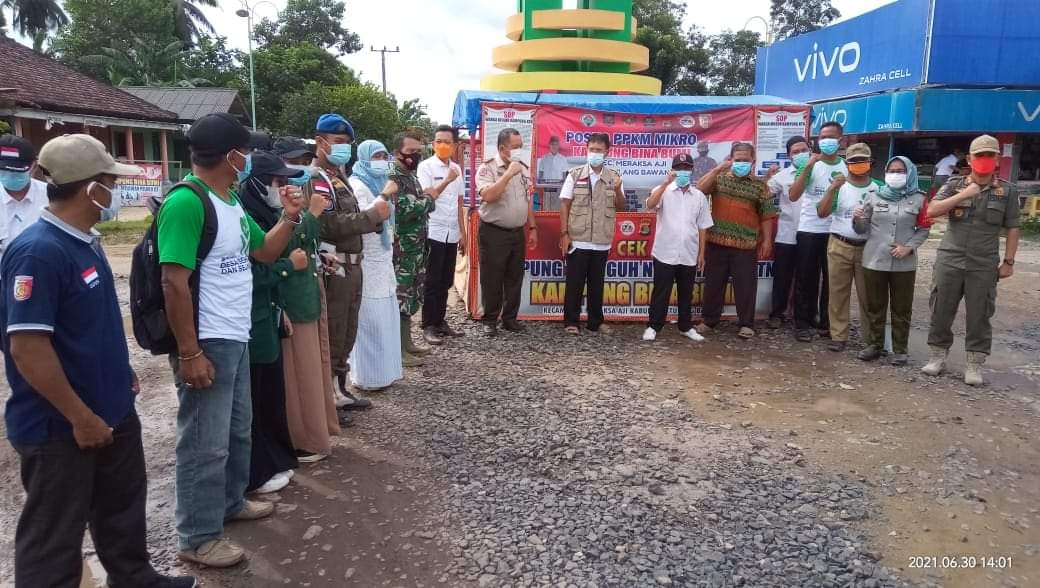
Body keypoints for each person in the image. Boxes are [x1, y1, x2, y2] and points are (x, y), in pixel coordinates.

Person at [0, 134, 195, 586]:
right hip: (60, 425)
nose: (116, 192)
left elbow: (94, 325)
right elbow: (27, 348)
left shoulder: (84, 241)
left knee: (120, 506)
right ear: (91, 188)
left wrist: (119, 374)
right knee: (54, 535)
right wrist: (80, 417)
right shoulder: (38, 252)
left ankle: (134, 578)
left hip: (110, 406)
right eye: (111, 182)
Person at [158, 112, 304, 567]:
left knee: (237, 430)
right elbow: (172, 282)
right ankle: (197, 536)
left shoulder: (231, 201)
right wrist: (189, 352)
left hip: (236, 334)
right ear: (231, 156)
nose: (249, 159)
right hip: (208, 338)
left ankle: (229, 502)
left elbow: (264, 251)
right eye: (246, 152)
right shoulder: (187, 203)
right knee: (204, 441)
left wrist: (290, 216)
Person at [923, 135, 1020, 386]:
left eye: (990, 155)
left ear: (997, 159)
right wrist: (964, 194)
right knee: (941, 308)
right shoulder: (954, 184)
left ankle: (974, 364)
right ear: (969, 159)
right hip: (950, 258)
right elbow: (932, 210)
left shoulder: (1007, 191)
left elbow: (1013, 227)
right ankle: (937, 356)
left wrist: (1009, 261)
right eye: (979, 155)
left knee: (980, 314)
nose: (984, 159)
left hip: (983, 263)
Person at [310, 114, 390, 405]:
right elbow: (327, 224)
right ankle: (328, 398)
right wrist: (372, 217)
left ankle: (340, 390)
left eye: (347, 143)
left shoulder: (337, 176)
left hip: (353, 264)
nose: (344, 147)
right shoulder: (317, 178)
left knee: (347, 329)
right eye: (338, 141)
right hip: (336, 266)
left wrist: (374, 219)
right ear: (320, 142)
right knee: (334, 330)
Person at [237, 152, 305, 491]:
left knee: (270, 396)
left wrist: (281, 310)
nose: (284, 187)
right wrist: (288, 267)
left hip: (268, 314)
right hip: (249, 320)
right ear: (257, 183)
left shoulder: (264, 213)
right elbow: (251, 274)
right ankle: (257, 471)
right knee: (254, 401)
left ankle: (275, 459)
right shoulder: (245, 215)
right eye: (278, 181)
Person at [853, 157, 932, 366]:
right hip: (874, 260)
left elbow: (925, 228)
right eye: (892, 170)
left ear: (909, 173)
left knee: (902, 308)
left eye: (900, 171)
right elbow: (861, 229)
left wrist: (909, 247)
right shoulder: (873, 195)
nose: (895, 174)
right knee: (875, 306)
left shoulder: (919, 198)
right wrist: (857, 218)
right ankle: (875, 345)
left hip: (904, 263)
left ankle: (900, 349)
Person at [696, 142, 778, 339]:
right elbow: (700, 189)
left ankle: (746, 324)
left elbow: (767, 216)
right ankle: (709, 320)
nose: (741, 163)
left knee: (746, 287)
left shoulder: (760, 186)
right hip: (717, 243)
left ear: (753, 162)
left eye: (745, 160)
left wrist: (767, 241)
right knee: (713, 285)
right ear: (731, 160)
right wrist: (717, 169)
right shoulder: (719, 178)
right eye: (738, 160)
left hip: (746, 245)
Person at [348, 140, 404, 387]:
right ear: (364, 158)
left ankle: (385, 374)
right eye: (376, 156)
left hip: (383, 257)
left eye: (383, 156)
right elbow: (362, 218)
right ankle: (367, 378)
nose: (381, 161)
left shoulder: (380, 181)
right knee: (370, 320)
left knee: (385, 320)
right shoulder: (357, 184)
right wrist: (384, 195)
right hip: (367, 258)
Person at [814, 143, 879, 352]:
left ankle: (871, 340)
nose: (858, 164)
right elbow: (822, 212)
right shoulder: (839, 186)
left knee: (868, 295)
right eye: (854, 161)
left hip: (868, 248)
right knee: (837, 293)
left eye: (862, 160)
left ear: (870, 162)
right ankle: (838, 335)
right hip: (840, 244)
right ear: (847, 163)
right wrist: (831, 188)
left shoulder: (879, 187)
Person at [558, 132, 625, 335]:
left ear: (607, 152)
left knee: (597, 285)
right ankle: (571, 321)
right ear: (586, 150)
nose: (594, 153)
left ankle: (595, 322)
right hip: (578, 239)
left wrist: (618, 189)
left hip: (601, 240)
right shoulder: (575, 174)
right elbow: (565, 204)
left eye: (599, 150)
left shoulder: (614, 177)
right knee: (574, 284)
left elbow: (621, 207)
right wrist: (564, 233)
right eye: (591, 150)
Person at [642, 153, 713, 342]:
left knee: (686, 293)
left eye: (686, 168)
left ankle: (685, 326)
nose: (683, 171)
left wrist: (701, 253)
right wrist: (665, 183)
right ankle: (654, 326)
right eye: (679, 168)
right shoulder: (662, 190)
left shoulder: (699, 196)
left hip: (689, 252)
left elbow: (703, 226)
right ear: (672, 170)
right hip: (665, 252)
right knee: (661, 292)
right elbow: (650, 205)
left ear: (692, 170)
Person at [475, 128, 537, 337]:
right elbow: (488, 196)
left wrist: (533, 227)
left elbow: (527, 200)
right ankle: (490, 320)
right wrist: (509, 173)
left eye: (521, 146)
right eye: (515, 147)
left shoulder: (524, 168)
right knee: (492, 277)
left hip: (517, 231)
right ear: (503, 148)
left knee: (514, 277)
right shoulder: (487, 168)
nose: (520, 150)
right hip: (494, 231)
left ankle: (510, 319)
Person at [789, 121, 847, 342]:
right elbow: (794, 195)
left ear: (840, 140)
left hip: (836, 230)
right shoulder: (811, 164)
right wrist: (808, 166)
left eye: (831, 137)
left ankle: (827, 323)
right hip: (810, 229)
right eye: (822, 137)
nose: (826, 141)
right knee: (806, 278)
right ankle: (803, 323)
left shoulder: (846, 167)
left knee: (833, 280)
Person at [389, 129, 436, 364]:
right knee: (400, 296)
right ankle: (398, 351)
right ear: (397, 152)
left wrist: (425, 200)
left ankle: (407, 343)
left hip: (416, 247)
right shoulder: (393, 177)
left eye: (418, 151)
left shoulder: (410, 175)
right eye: (410, 151)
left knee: (411, 296)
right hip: (402, 249)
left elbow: (421, 205)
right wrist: (428, 198)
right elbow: (404, 210)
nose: (415, 156)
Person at [418, 125, 466, 345]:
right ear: (433, 144)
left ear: (455, 145)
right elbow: (429, 197)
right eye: (438, 141)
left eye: (447, 142)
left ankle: (440, 321)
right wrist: (447, 180)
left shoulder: (456, 168)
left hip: (452, 232)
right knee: (432, 279)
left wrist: (463, 232)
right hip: (434, 230)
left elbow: (458, 203)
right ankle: (428, 324)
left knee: (446, 279)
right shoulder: (426, 167)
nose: (442, 145)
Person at [766, 136, 811, 329]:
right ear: (789, 156)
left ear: (810, 150)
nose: (800, 154)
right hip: (787, 235)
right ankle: (777, 314)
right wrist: (767, 176)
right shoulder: (782, 177)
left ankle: (804, 317)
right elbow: (763, 195)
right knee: (782, 277)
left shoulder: (819, 172)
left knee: (806, 278)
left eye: (803, 150)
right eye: (795, 152)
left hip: (812, 235)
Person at [0, 134, 49, 260]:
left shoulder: (51, 196)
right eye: (4, 170)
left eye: (16, 171)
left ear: (34, 166)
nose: (10, 175)